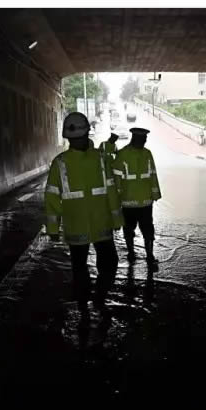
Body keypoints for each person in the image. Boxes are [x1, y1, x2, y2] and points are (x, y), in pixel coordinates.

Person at [44, 112, 122, 312]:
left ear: (87, 133)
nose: (77, 142)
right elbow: (52, 196)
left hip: (101, 223)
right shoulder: (60, 162)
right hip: (76, 226)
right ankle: (83, 303)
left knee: (110, 263)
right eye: (73, 139)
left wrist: (117, 220)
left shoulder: (101, 159)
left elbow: (111, 189)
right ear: (68, 139)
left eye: (79, 137)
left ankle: (99, 297)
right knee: (79, 268)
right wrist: (52, 228)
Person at [113, 127, 161, 271]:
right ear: (134, 138)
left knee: (148, 231)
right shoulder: (122, 154)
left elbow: (153, 174)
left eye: (145, 139)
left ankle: (150, 255)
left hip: (145, 202)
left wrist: (155, 194)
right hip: (129, 203)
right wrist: (116, 199)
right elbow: (116, 178)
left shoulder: (147, 153)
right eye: (142, 139)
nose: (145, 141)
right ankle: (131, 253)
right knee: (129, 230)